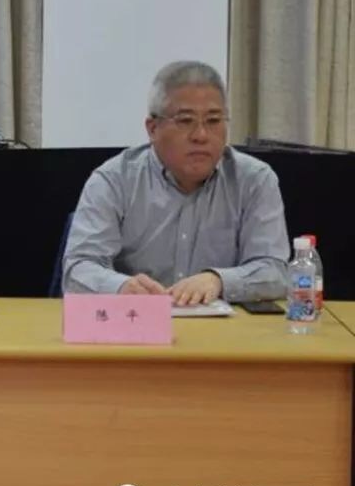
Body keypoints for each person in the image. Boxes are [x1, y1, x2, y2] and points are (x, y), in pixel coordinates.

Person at [62, 61, 288, 305]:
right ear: (152, 128)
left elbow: (275, 271)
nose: (201, 135)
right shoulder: (114, 180)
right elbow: (78, 270)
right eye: (185, 121)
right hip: (138, 320)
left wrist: (219, 280)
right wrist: (121, 287)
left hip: (223, 325)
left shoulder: (254, 180)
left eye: (213, 121)